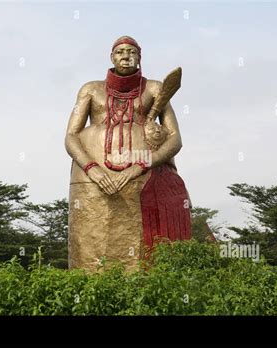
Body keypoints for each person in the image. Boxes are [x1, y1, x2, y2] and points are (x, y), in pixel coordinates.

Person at [65, 36, 191, 272]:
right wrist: (92, 169)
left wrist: (140, 166)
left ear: (139, 58)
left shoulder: (155, 89)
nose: (126, 56)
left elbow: (175, 139)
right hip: (91, 181)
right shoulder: (90, 89)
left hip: (144, 178)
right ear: (111, 57)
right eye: (120, 52)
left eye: (131, 52)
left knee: (146, 256)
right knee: (91, 254)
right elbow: (71, 136)